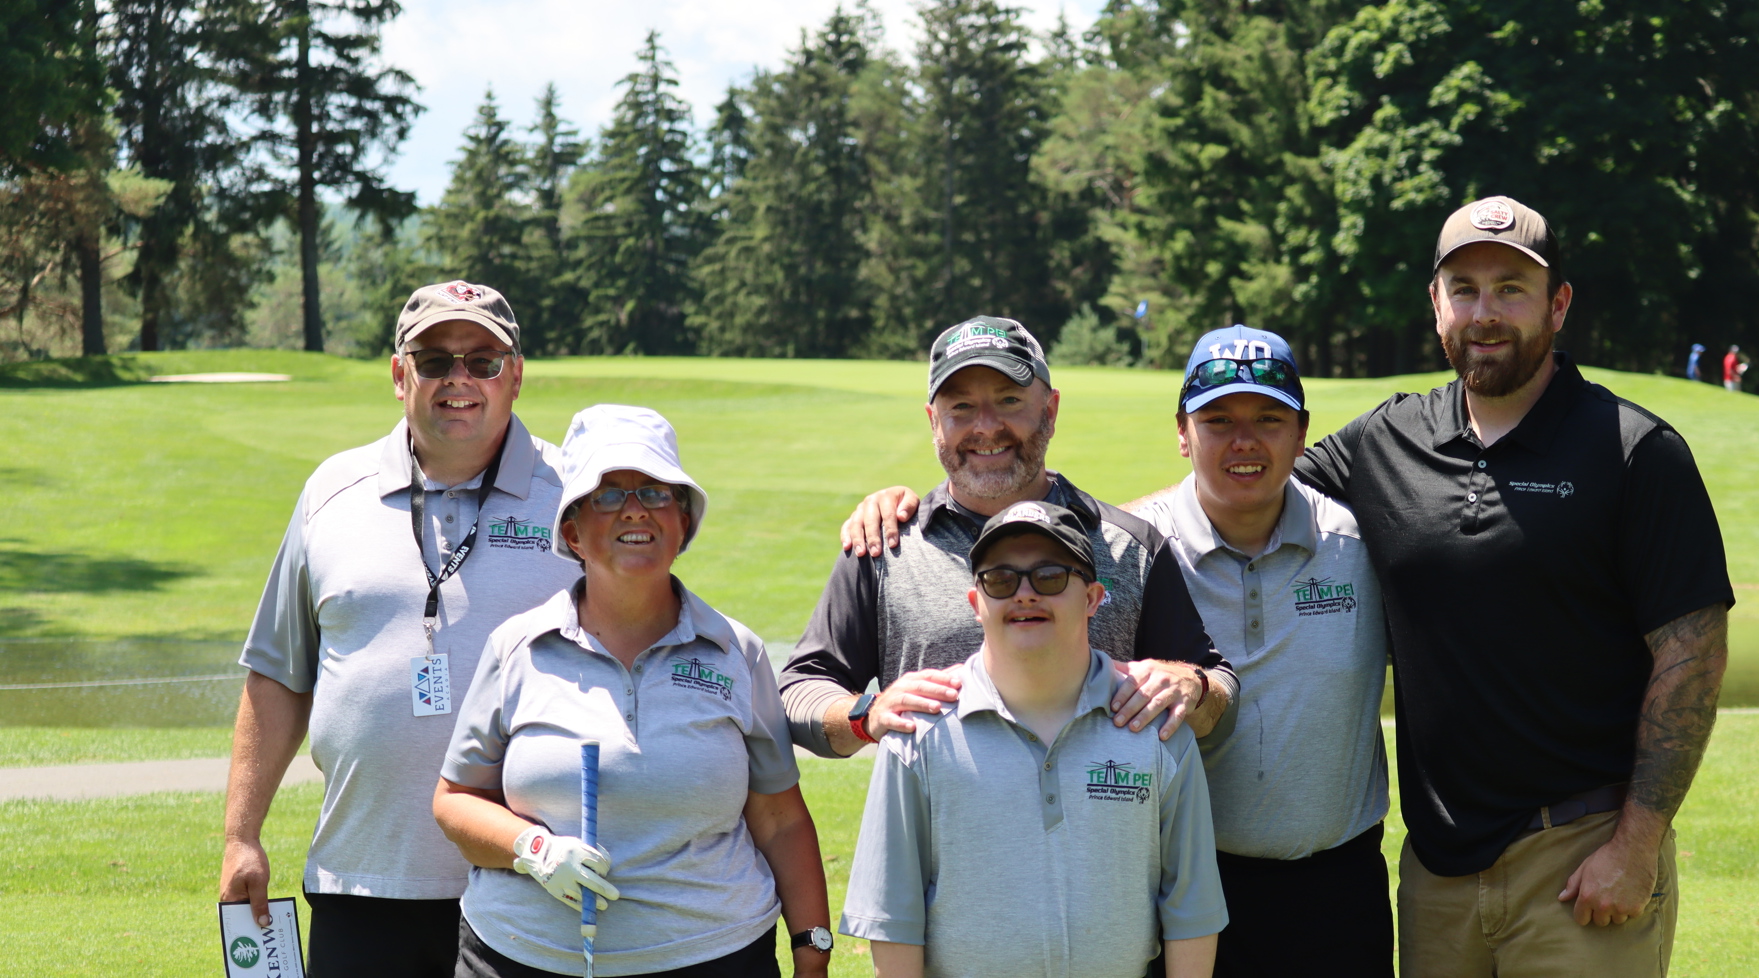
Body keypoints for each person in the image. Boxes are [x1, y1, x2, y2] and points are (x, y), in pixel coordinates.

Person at [1291, 196, 1732, 977]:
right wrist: (1077, 527)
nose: (1484, 312)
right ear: (1435, 306)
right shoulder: (1384, 440)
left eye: (1510, 288)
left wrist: (1636, 844)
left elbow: (1690, 658)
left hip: (1581, 859)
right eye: (1463, 288)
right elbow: (1236, 494)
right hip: (1436, 873)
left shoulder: (1635, 453)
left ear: (1557, 306)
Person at [222, 282, 582, 978]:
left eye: (482, 360)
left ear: (515, 375)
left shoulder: (575, 496)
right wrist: (241, 836)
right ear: (398, 374)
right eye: (434, 359)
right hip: (361, 882)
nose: (458, 379)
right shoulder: (333, 492)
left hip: (529, 883)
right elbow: (277, 674)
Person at [434, 405, 831, 978]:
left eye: (655, 492)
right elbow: (453, 801)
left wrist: (811, 951)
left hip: (714, 956)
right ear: (572, 531)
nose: (636, 509)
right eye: (609, 494)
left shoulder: (736, 652)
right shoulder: (516, 648)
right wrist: (534, 850)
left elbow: (780, 818)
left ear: (684, 523)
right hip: (521, 957)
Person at [779, 315, 1237, 763]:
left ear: (1051, 410)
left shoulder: (1130, 548)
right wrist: (867, 715)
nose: (985, 427)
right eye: (960, 406)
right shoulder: (886, 547)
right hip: (939, 836)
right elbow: (798, 693)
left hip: (1103, 836)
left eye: (1009, 400)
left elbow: (1220, 698)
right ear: (932, 420)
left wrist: (1193, 687)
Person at [839, 502, 1227, 978]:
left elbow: (1192, 908)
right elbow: (893, 918)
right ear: (976, 603)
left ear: (1092, 598)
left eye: (1049, 576)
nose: (1024, 594)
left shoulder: (1157, 728)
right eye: (1000, 580)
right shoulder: (915, 734)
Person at [1137, 326, 1392, 976]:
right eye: (1217, 419)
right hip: (1181, 892)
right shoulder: (1128, 550)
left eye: (1267, 419)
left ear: (1301, 432)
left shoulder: (1363, 546)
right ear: (1181, 430)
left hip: (1339, 893)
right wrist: (897, 508)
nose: (1242, 441)